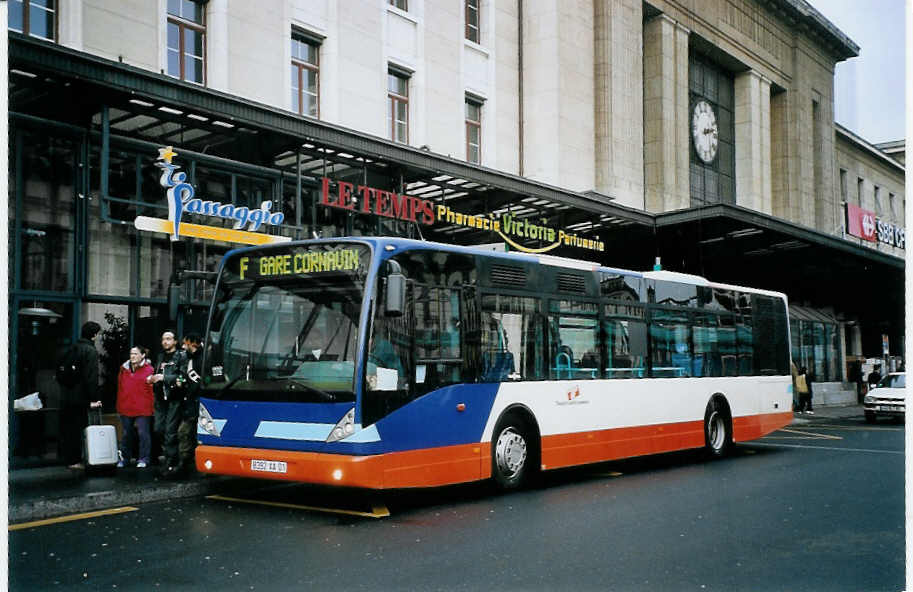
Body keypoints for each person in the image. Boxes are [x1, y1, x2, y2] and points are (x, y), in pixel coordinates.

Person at [58, 321, 102, 469]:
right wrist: (93, 399)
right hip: (80, 397)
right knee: (78, 428)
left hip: (66, 394)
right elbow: (91, 378)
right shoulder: (90, 351)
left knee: (67, 428)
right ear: (94, 335)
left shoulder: (71, 348)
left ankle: (67, 458)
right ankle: (75, 460)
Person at [148, 330, 189, 479]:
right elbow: (158, 374)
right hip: (160, 398)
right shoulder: (160, 356)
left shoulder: (181, 356)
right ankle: (171, 456)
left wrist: (163, 377)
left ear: (175, 341)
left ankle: (171, 461)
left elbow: (183, 377)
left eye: (169, 339)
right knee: (158, 428)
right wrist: (152, 378)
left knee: (170, 431)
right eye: (163, 339)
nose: (165, 342)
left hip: (174, 398)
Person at [116, 346, 154, 468]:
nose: (132, 356)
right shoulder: (124, 369)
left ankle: (144, 458)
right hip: (126, 406)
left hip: (143, 407)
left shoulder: (149, 369)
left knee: (143, 434)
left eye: (136, 354)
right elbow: (120, 387)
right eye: (131, 353)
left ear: (143, 355)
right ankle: (125, 459)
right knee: (127, 434)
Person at [174, 333, 203, 478]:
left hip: (197, 402)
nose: (183, 347)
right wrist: (181, 381)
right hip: (190, 402)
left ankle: (186, 464)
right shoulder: (188, 359)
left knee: (186, 432)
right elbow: (184, 375)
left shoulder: (204, 359)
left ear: (193, 343)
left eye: (186, 344)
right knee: (186, 433)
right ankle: (186, 463)